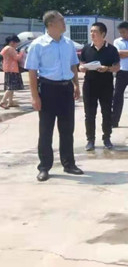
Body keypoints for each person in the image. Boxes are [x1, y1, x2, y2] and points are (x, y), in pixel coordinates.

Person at [25, 11, 84, 182]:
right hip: (48, 90)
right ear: (50, 24)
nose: (64, 23)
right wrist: (35, 97)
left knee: (67, 130)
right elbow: (32, 72)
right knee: (46, 131)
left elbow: (73, 66)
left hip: (66, 89)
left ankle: (69, 164)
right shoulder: (38, 45)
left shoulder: (68, 44)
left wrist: (76, 85)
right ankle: (44, 167)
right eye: (61, 20)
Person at [79, 23, 121, 151]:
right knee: (89, 114)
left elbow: (117, 67)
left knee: (106, 112)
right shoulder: (86, 48)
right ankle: (90, 140)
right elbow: (81, 64)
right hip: (89, 85)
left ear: (103, 34)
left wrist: (107, 68)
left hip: (106, 86)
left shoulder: (112, 50)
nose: (92, 34)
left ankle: (107, 138)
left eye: (95, 31)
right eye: (91, 31)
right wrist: (82, 68)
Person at [0, 35, 24, 109]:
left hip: (8, 68)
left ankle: (10, 102)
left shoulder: (5, 48)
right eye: (16, 43)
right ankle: (3, 101)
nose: (17, 44)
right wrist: (22, 53)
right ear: (12, 42)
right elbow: (17, 58)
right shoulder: (10, 48)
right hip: (12, 69)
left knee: (11, 86)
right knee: (11, 87)